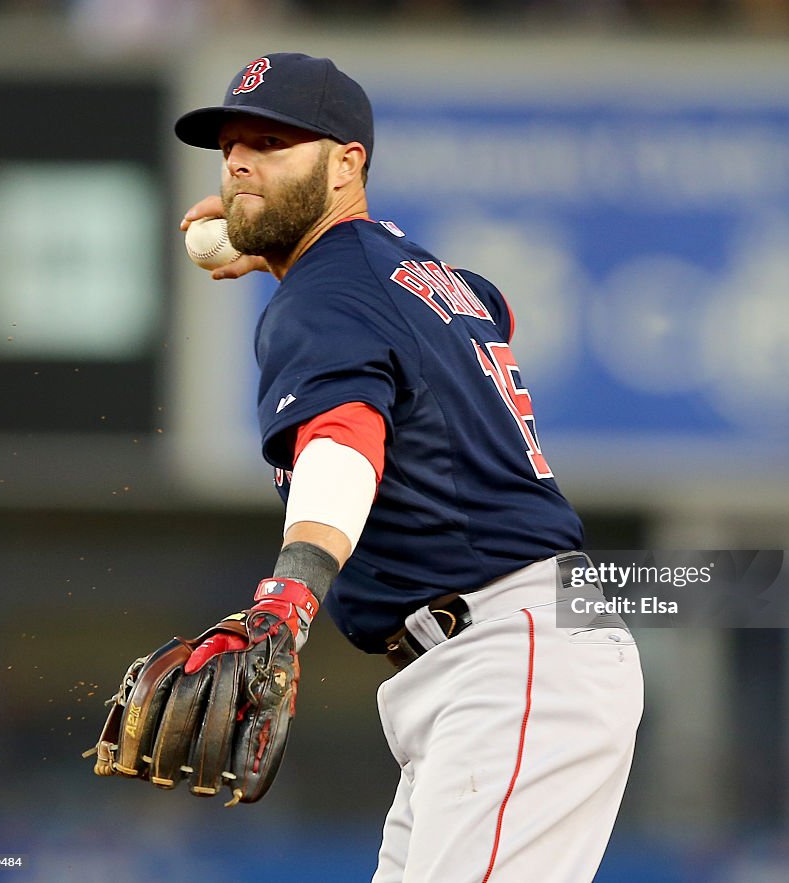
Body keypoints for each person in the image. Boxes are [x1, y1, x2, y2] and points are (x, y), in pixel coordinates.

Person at [175, 51, 643, 882]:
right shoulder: (415, 276)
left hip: (510, 650)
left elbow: (344, 440)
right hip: (499, 657)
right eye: (232, 146)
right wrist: (283, 252)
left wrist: (286, 600)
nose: (242, 161)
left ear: (347, 162)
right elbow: (488, 305)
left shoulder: (328, 294)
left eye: (275, 143)